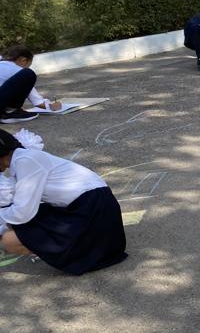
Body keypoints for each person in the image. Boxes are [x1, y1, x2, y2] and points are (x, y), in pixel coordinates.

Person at [0, 129, 127, 275]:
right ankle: (58, 249)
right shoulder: (24, 157)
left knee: (9, 240)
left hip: (92, 210)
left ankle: (70, 252)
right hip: (93, 206)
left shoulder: (26, 161)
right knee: (23, 221)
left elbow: (22, 213)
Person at [0, 46, 61, 124]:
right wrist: (51, 106)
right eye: (28, 65)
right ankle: (10, 113)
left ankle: (8, 111)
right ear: (23, 60)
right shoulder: (16, 69)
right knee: (28, 74)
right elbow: (38, 102)